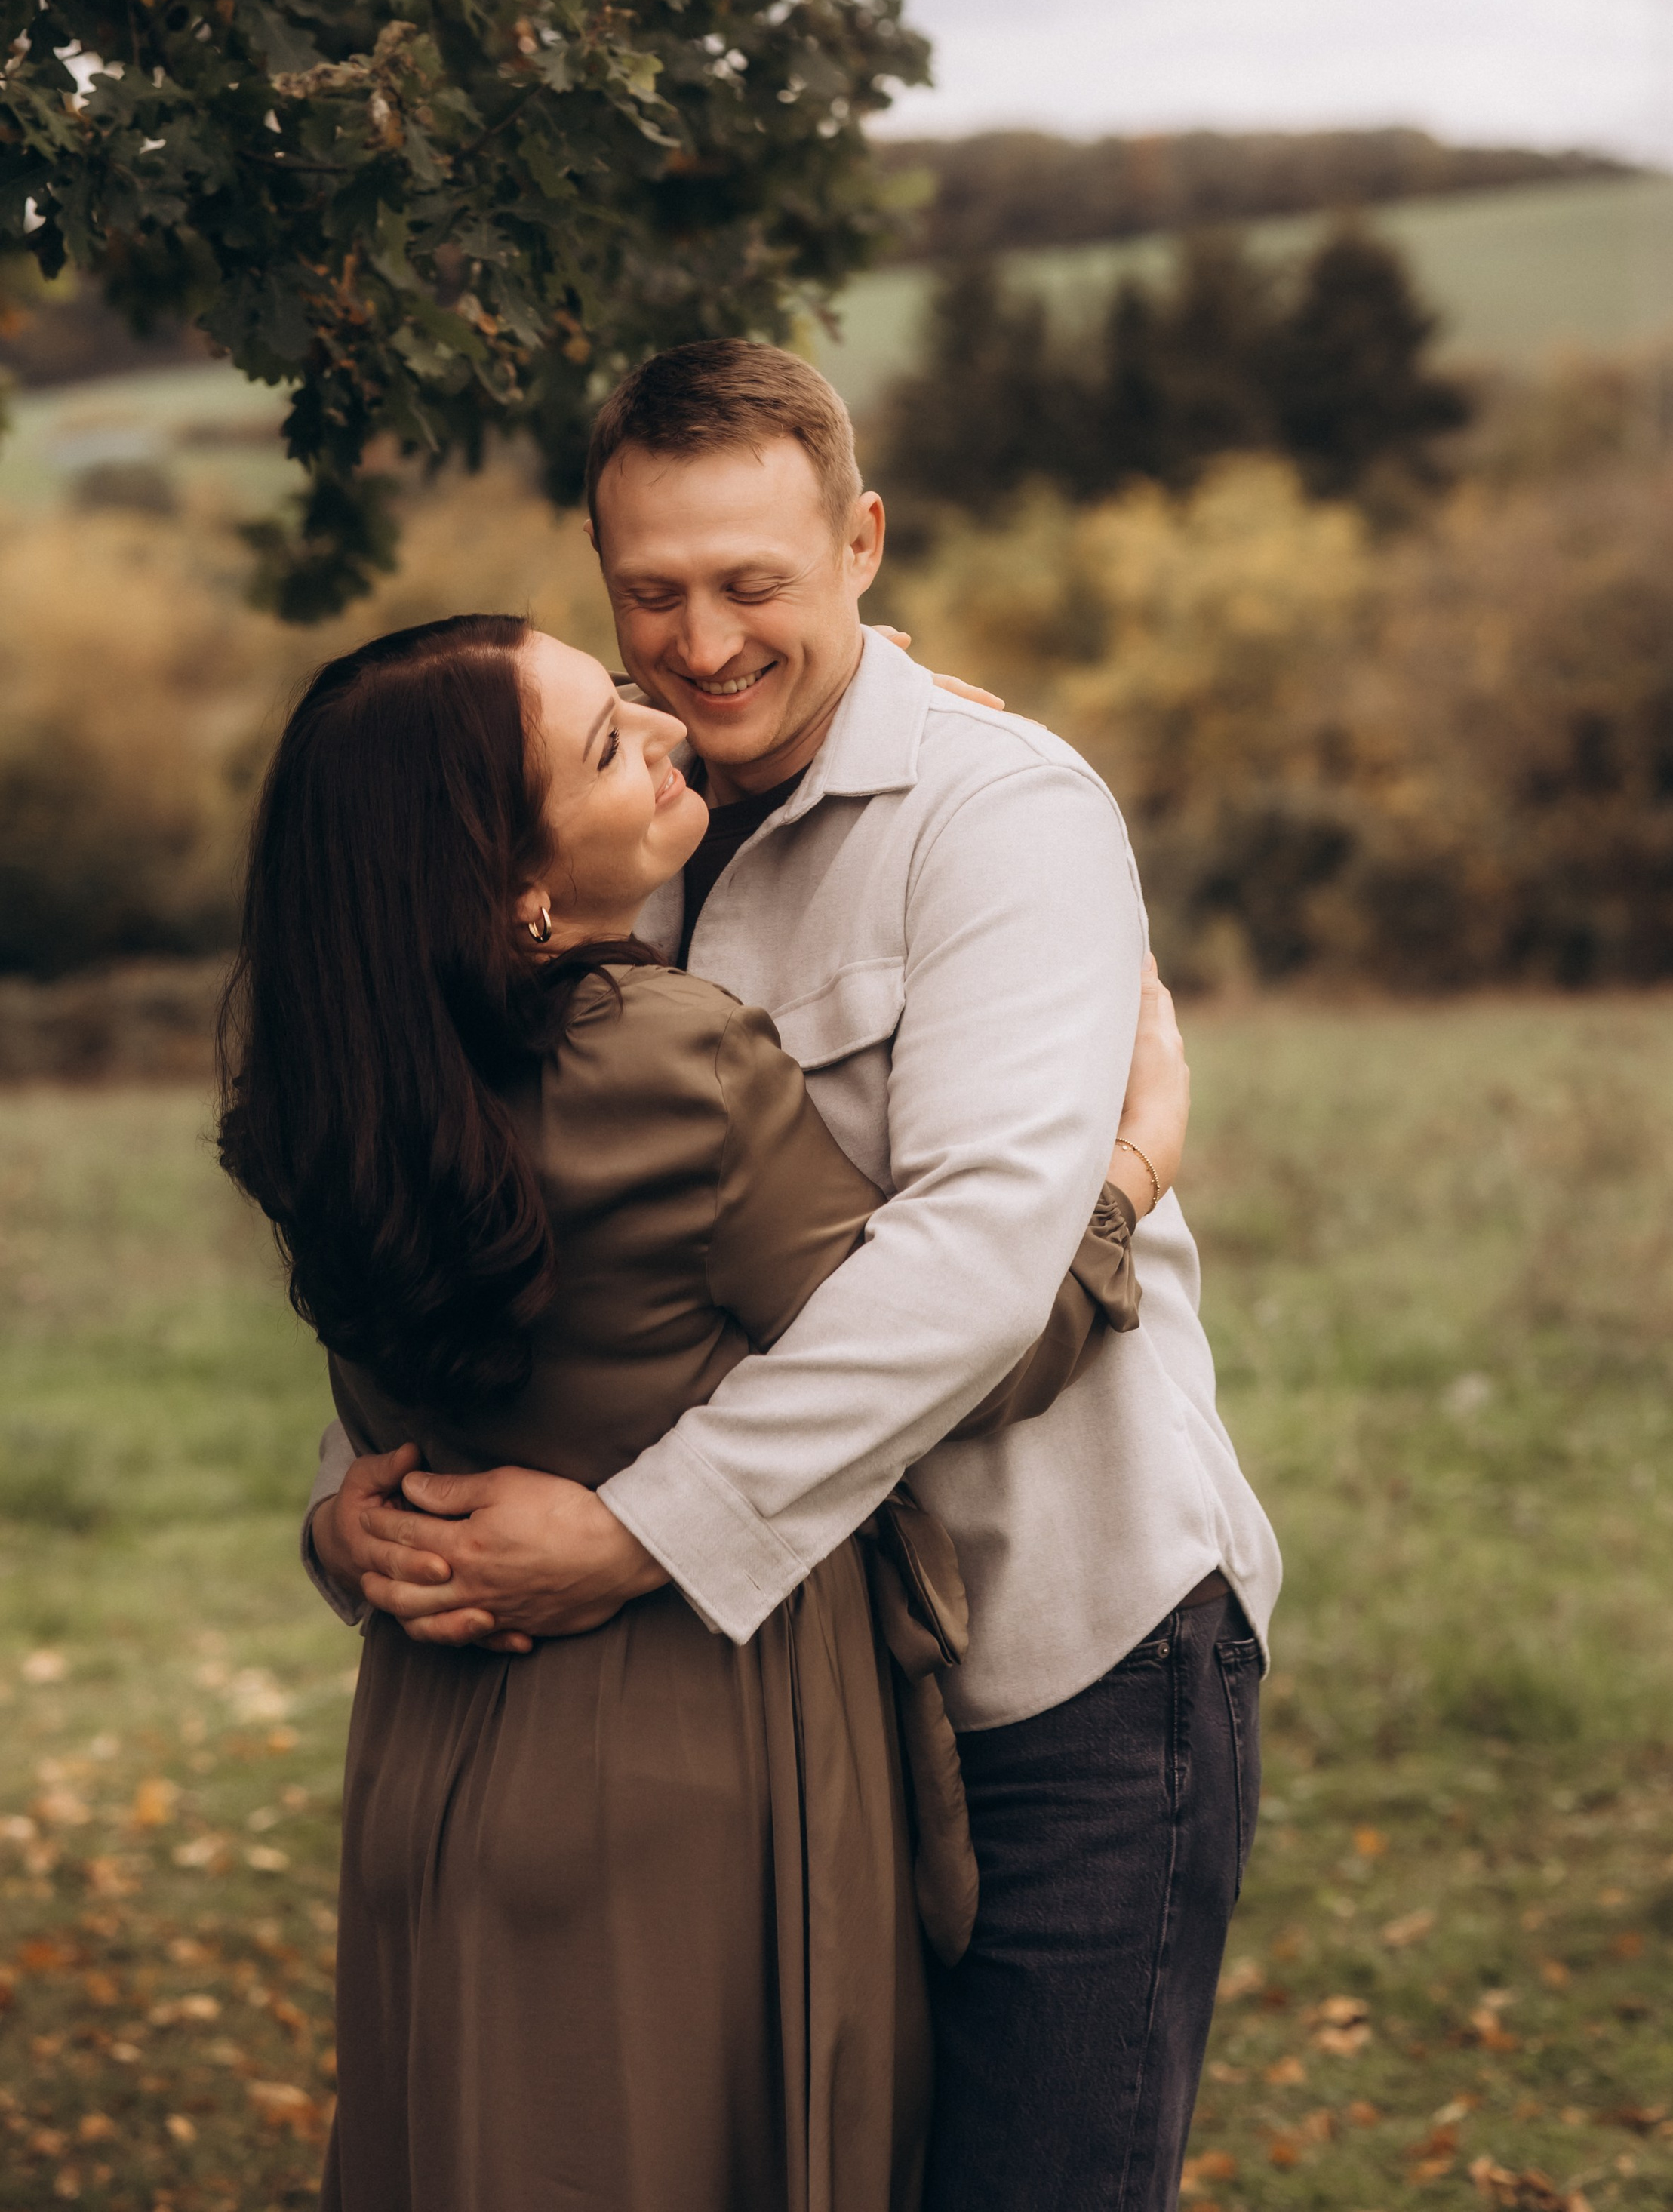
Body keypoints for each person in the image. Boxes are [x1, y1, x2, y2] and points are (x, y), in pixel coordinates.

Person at [306, 340, 1283, 2212]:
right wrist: (364, 1505)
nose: (701, 645)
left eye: (754, 583)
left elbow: (979, 1259)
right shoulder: (594, 823)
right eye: (651, 595)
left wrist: (638, 1531)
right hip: (759, 1717)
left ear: (859, 544)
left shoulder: (1000, 818)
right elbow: (466, 1207)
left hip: (1053, 1654)